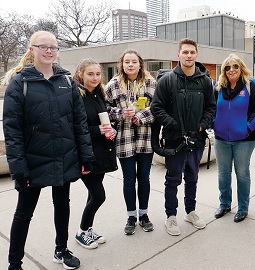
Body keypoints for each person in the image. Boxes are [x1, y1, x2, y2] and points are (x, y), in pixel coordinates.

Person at [2, 31, 95, 270]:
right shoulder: (19, 83)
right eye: (43, 46)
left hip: (64, 157)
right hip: (33, 162)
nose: (49, 51)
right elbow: (12, 131)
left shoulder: (66, 81)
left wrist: (86, 156)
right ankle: (15, 263)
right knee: (24, 213)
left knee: (62, 205)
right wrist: (19, 168)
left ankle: (61, 249)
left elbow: (79, 121)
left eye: (54, 47)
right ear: (31, 49)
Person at [151, 38, 216, 236]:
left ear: (196, 55)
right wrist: (172, 123)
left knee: (192, 178)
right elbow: (156, 107)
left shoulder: (205, 81)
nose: (189, 56)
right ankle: (171, 216)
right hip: (174, 140)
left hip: (196, 139)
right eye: (185, 52)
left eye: (192, 52)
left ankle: (190, 212)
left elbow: (211, 107)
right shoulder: (167, 80)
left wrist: (202, 124)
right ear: (178, 55)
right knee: (172, 180)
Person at [105, 49, 156, 235]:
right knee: (128, 179)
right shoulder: (113, 85)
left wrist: (141, 116)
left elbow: (158, 107)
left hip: (145, 138)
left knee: (144, 178)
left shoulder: (150, 82)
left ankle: (144, 214)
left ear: (140, 64)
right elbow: (104, 109)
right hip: (124, 138)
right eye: (127, 62)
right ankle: (131, 216)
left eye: (134, 61)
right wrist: (120, 114)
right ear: (122, 64)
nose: (130, 65)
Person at [72, 58, 118, 249]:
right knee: (99, 196)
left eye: (98, 74)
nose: (95, 77)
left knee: (93, 194)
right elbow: (76, 130)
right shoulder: (76, 96)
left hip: (100, 152)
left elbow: (104, 122)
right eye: (90, 74)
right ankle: (82, 231)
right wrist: (100, 130)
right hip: (85, 155)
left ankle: (88, 228)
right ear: (80, 74)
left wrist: (110, 130)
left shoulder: (98, 94)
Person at [212, 54, 255, 223]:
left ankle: (242, 208)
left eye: (235, 66)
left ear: (241, 67)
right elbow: (211, 108)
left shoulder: (250, 84)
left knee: (242, 173)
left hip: (245, 139)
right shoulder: (219, 87)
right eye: (227, 67)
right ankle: (224, 204)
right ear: (223, 70)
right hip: (221, 138)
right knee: (223, 174)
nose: (231, 70)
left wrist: (248, 127)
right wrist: (214, 124)